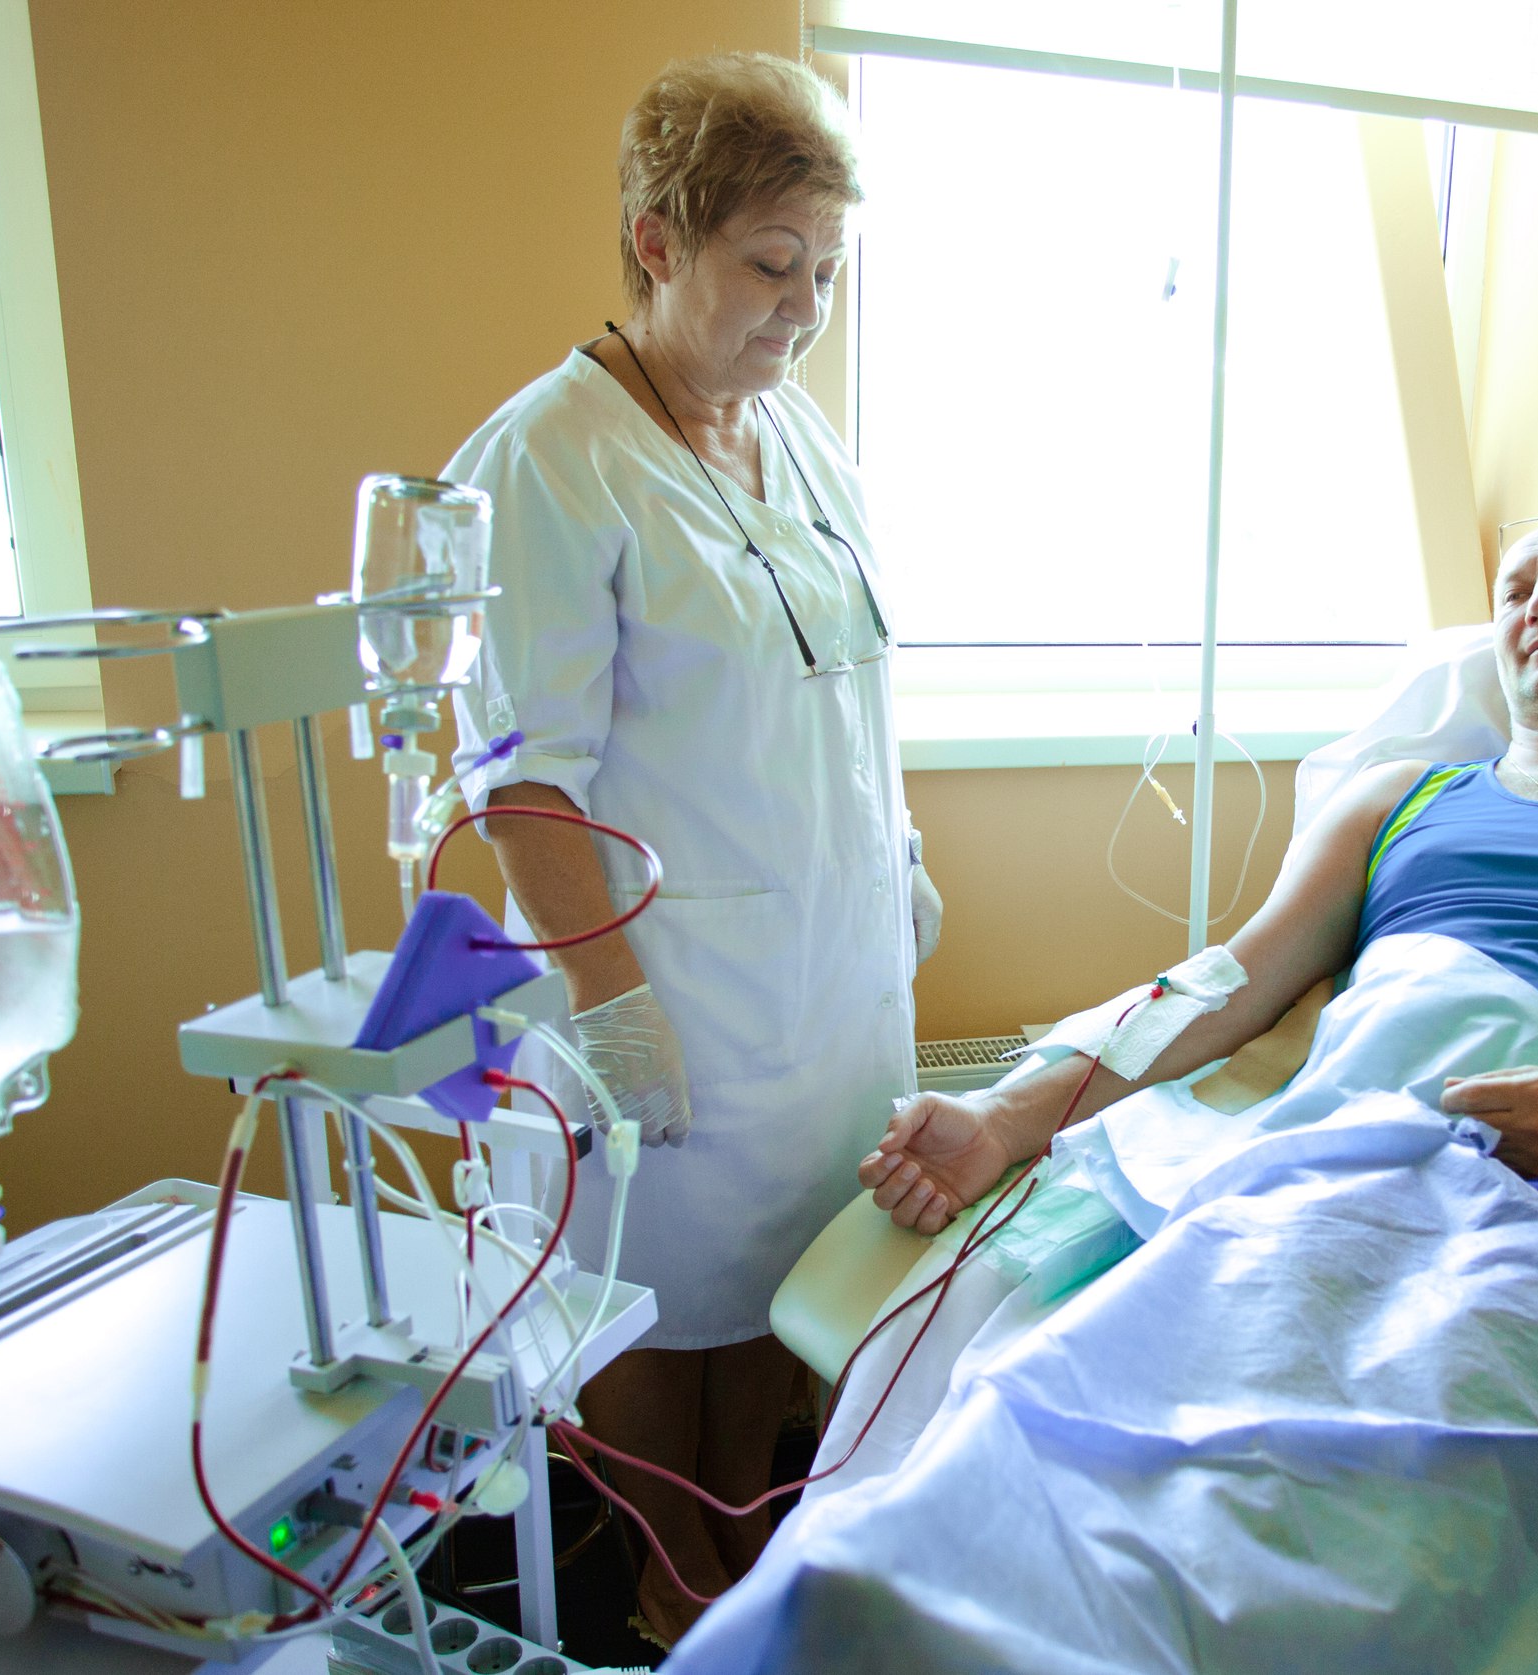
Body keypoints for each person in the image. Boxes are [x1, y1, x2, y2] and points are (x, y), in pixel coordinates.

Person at [862, 518, 1538, 1465]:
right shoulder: (1397, 800)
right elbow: (1228, 984)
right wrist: (1003, 1117)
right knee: (1116, 1393)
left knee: (1422, 1414)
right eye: (1515, 591)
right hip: (1345, 1159)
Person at [444, 53, 939, 1645]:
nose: (805, 310)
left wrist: (901, 859)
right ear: (658, 241)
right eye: (772, 265)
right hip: (671, 983)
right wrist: (615, 1009)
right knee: (661, 1290)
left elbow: (843, 685)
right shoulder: (549, 458)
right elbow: (522, 775)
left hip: (830, 976)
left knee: (780, 1276)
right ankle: (667, 1580)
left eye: (829, 272)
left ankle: (740, 1538)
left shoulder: (799, 436)